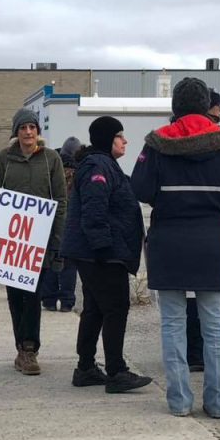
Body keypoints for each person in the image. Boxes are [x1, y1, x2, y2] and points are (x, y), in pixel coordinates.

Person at [131, 77, 220, 418]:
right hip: (210, 242)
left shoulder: (157, 143)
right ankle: (218, 404)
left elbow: (139, 187)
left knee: (173, 325)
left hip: (168, 242)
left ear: (174, 106)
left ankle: (180, 402)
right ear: (205, 105)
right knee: (214, 324)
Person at [61, 117, 151, 393]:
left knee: (96, 309)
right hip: (102, 254)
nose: (125, 141)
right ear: (108, 139)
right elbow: (94, 211)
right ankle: (116, 371)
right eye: (120, 136)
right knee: (115, 308)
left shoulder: (102, 164)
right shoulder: (98, 167)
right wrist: (104, 250)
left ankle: (86, 367)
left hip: (97, 253)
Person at [0, 108, 67, 376]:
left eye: (32, 127)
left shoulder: (51, 158)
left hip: (39, 242)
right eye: (23, 128)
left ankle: (29, 348)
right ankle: (21, 347)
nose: (28, 132)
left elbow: (60, 201)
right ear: (16, 132)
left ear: (38, 131)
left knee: (32, 295)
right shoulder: (4, 159)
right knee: (15, 296)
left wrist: (57, 239)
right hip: (10, 242)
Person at [185, 88, 220, 371]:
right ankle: (197, 355)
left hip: (191, 233)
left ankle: (195, 355)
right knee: (203, 305)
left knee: (191, 301)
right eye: (217, 107)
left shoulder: (166, 141)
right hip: (208, 232)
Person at [41, 137, 81, 313]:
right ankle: (67, 301)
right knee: (68, 264)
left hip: (50, 221)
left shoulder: (50, 169)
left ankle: (49, 300)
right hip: (71, 223)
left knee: (49, 261)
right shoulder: (81, 172)